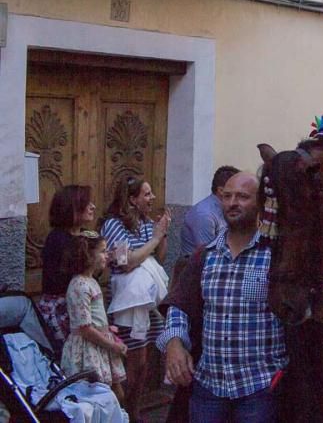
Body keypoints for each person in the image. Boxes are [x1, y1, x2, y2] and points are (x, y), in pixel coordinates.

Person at [159, 172, 287, 422]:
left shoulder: (276, 256)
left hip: (259, 387)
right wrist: (174, 343)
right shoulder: (205, 257)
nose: (232, 203)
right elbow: (180, 306)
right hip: (209, 387)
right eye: (227, 196)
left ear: (259, 202)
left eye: (242, 196)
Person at [100, 176, 171, 419]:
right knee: (133, 360)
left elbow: (159, 258)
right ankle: (126, 412)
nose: (152, 198)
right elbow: (126, 262)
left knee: (143, 362)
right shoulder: (113, 225)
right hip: (128, 302)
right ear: (132, 199)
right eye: (147, 194)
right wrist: (153, 240)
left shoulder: (145, 222)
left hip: (145, 301)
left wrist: (162, 234)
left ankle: (135, 409)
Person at [61, 231, 127, 403]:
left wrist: (107, 329)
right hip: (89, 347)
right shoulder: (79, 285)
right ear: (88, 255)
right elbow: (85, 328)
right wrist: (112, 345)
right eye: (103, 251)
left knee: (116, 395)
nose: (107, 255)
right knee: (98, 397)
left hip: (100, 343)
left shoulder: (91, 281)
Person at [39, 185, 96, 356]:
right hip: (63, 310)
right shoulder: (58, 239)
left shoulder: (86, 235)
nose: (93, 206)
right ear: (72, 207)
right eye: (87, 203)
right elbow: (68, 278)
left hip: (83, 305)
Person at [180, 165, 239, 258]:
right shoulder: (204, 215)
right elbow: (209, 254)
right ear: (221, 190)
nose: (240, 195)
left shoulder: (226, 209)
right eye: (237, 190)